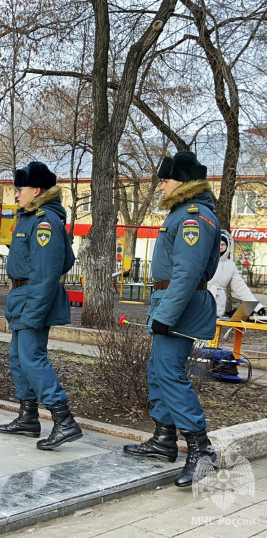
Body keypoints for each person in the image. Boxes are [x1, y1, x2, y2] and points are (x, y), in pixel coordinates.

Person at [123, 151, 221, 488]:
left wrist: (165, 315)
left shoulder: (194, 216)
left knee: (169, 373)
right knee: (157, 370)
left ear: (182, 181)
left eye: (164, 180)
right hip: (171, 304)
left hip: (180, 306)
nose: (160, 186)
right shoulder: (183, 213)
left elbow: (187, 273)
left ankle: (203, 450)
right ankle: (164, 438)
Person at [0, 162, 81, 450]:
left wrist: (33, 311)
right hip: (23, 296)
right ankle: (28, 416)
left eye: (20, 190)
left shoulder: (45, 222)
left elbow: (47, 274)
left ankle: (64, 420)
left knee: (32, 358)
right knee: (18, 360)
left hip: (33, 297)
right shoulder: (29, 218)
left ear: (37, 190)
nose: (16, 195)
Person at [209, 230, 265, 318]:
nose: (220, 247)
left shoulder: (231, 266)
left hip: (219, 305)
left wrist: (256, 306)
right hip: (202, 302)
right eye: (218, 244)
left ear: (227, 246)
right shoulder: (205, 261)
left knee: (214, 330)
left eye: (223, 244)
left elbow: (240, 287)